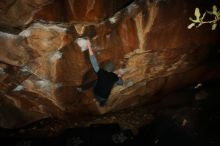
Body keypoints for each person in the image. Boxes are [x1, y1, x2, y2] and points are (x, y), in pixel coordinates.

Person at [78, 39, 124, 106]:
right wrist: (119, 76)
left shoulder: (101, 72)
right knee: (108, 85)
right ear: (112, 70)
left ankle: (82, 88)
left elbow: (94, 62)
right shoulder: (114, 77)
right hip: (103, 98)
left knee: (96, 81)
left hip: (96, 93)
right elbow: (121, 83)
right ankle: (102, 103)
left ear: (105, 68)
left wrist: (89, 47)